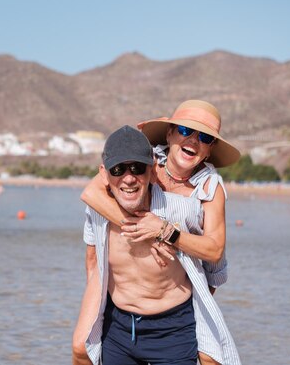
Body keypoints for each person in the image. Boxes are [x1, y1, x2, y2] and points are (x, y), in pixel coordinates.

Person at [73, 102, 242, 365]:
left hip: (178, 305)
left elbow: (214, 252)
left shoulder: (209, 188)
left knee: (212, 358)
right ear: (170, 134)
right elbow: (92, 192)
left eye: (205, 137)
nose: (194, 141)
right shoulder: (140, 161)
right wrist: (146, 230)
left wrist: (166, 232)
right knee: (80, 349)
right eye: (186, 130)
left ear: (209, 151)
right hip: (122, 317)